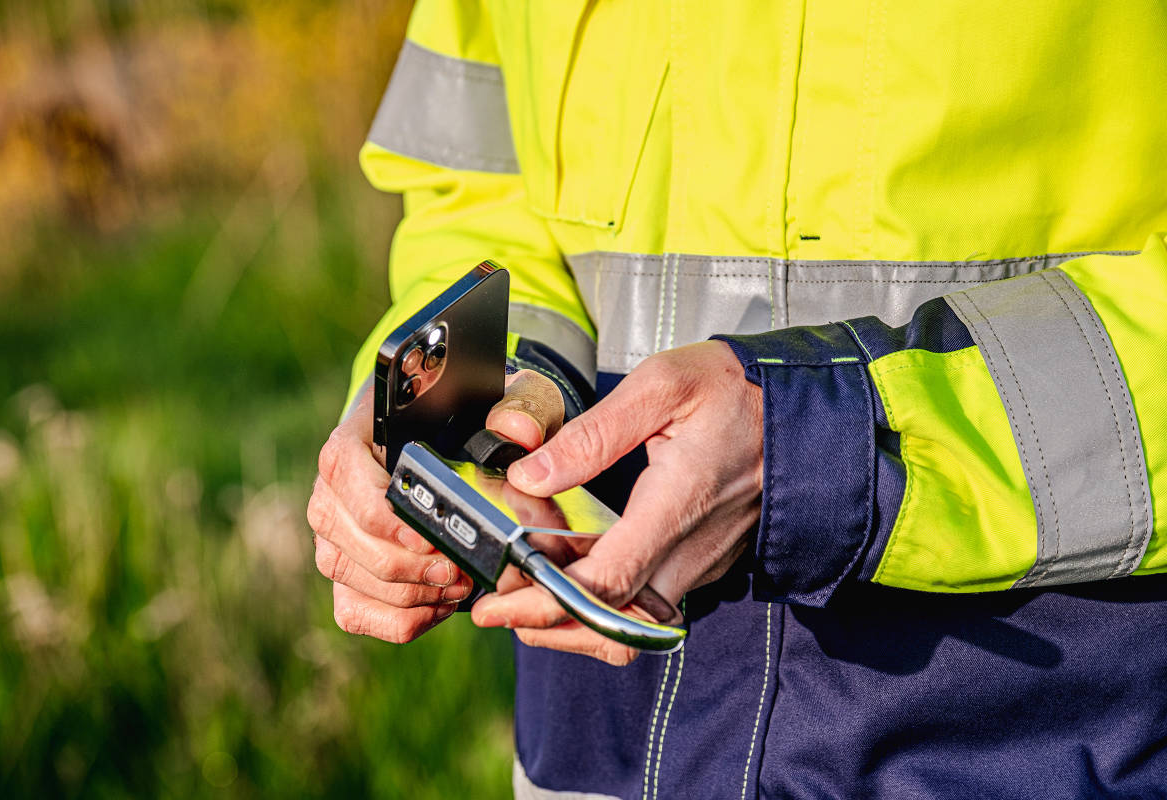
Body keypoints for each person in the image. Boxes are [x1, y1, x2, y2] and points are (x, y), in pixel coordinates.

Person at [307, 1, 1167, 796]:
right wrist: (447, 394)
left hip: (1048, 717)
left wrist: (817, 444)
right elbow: (479, 187)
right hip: (597, 734)